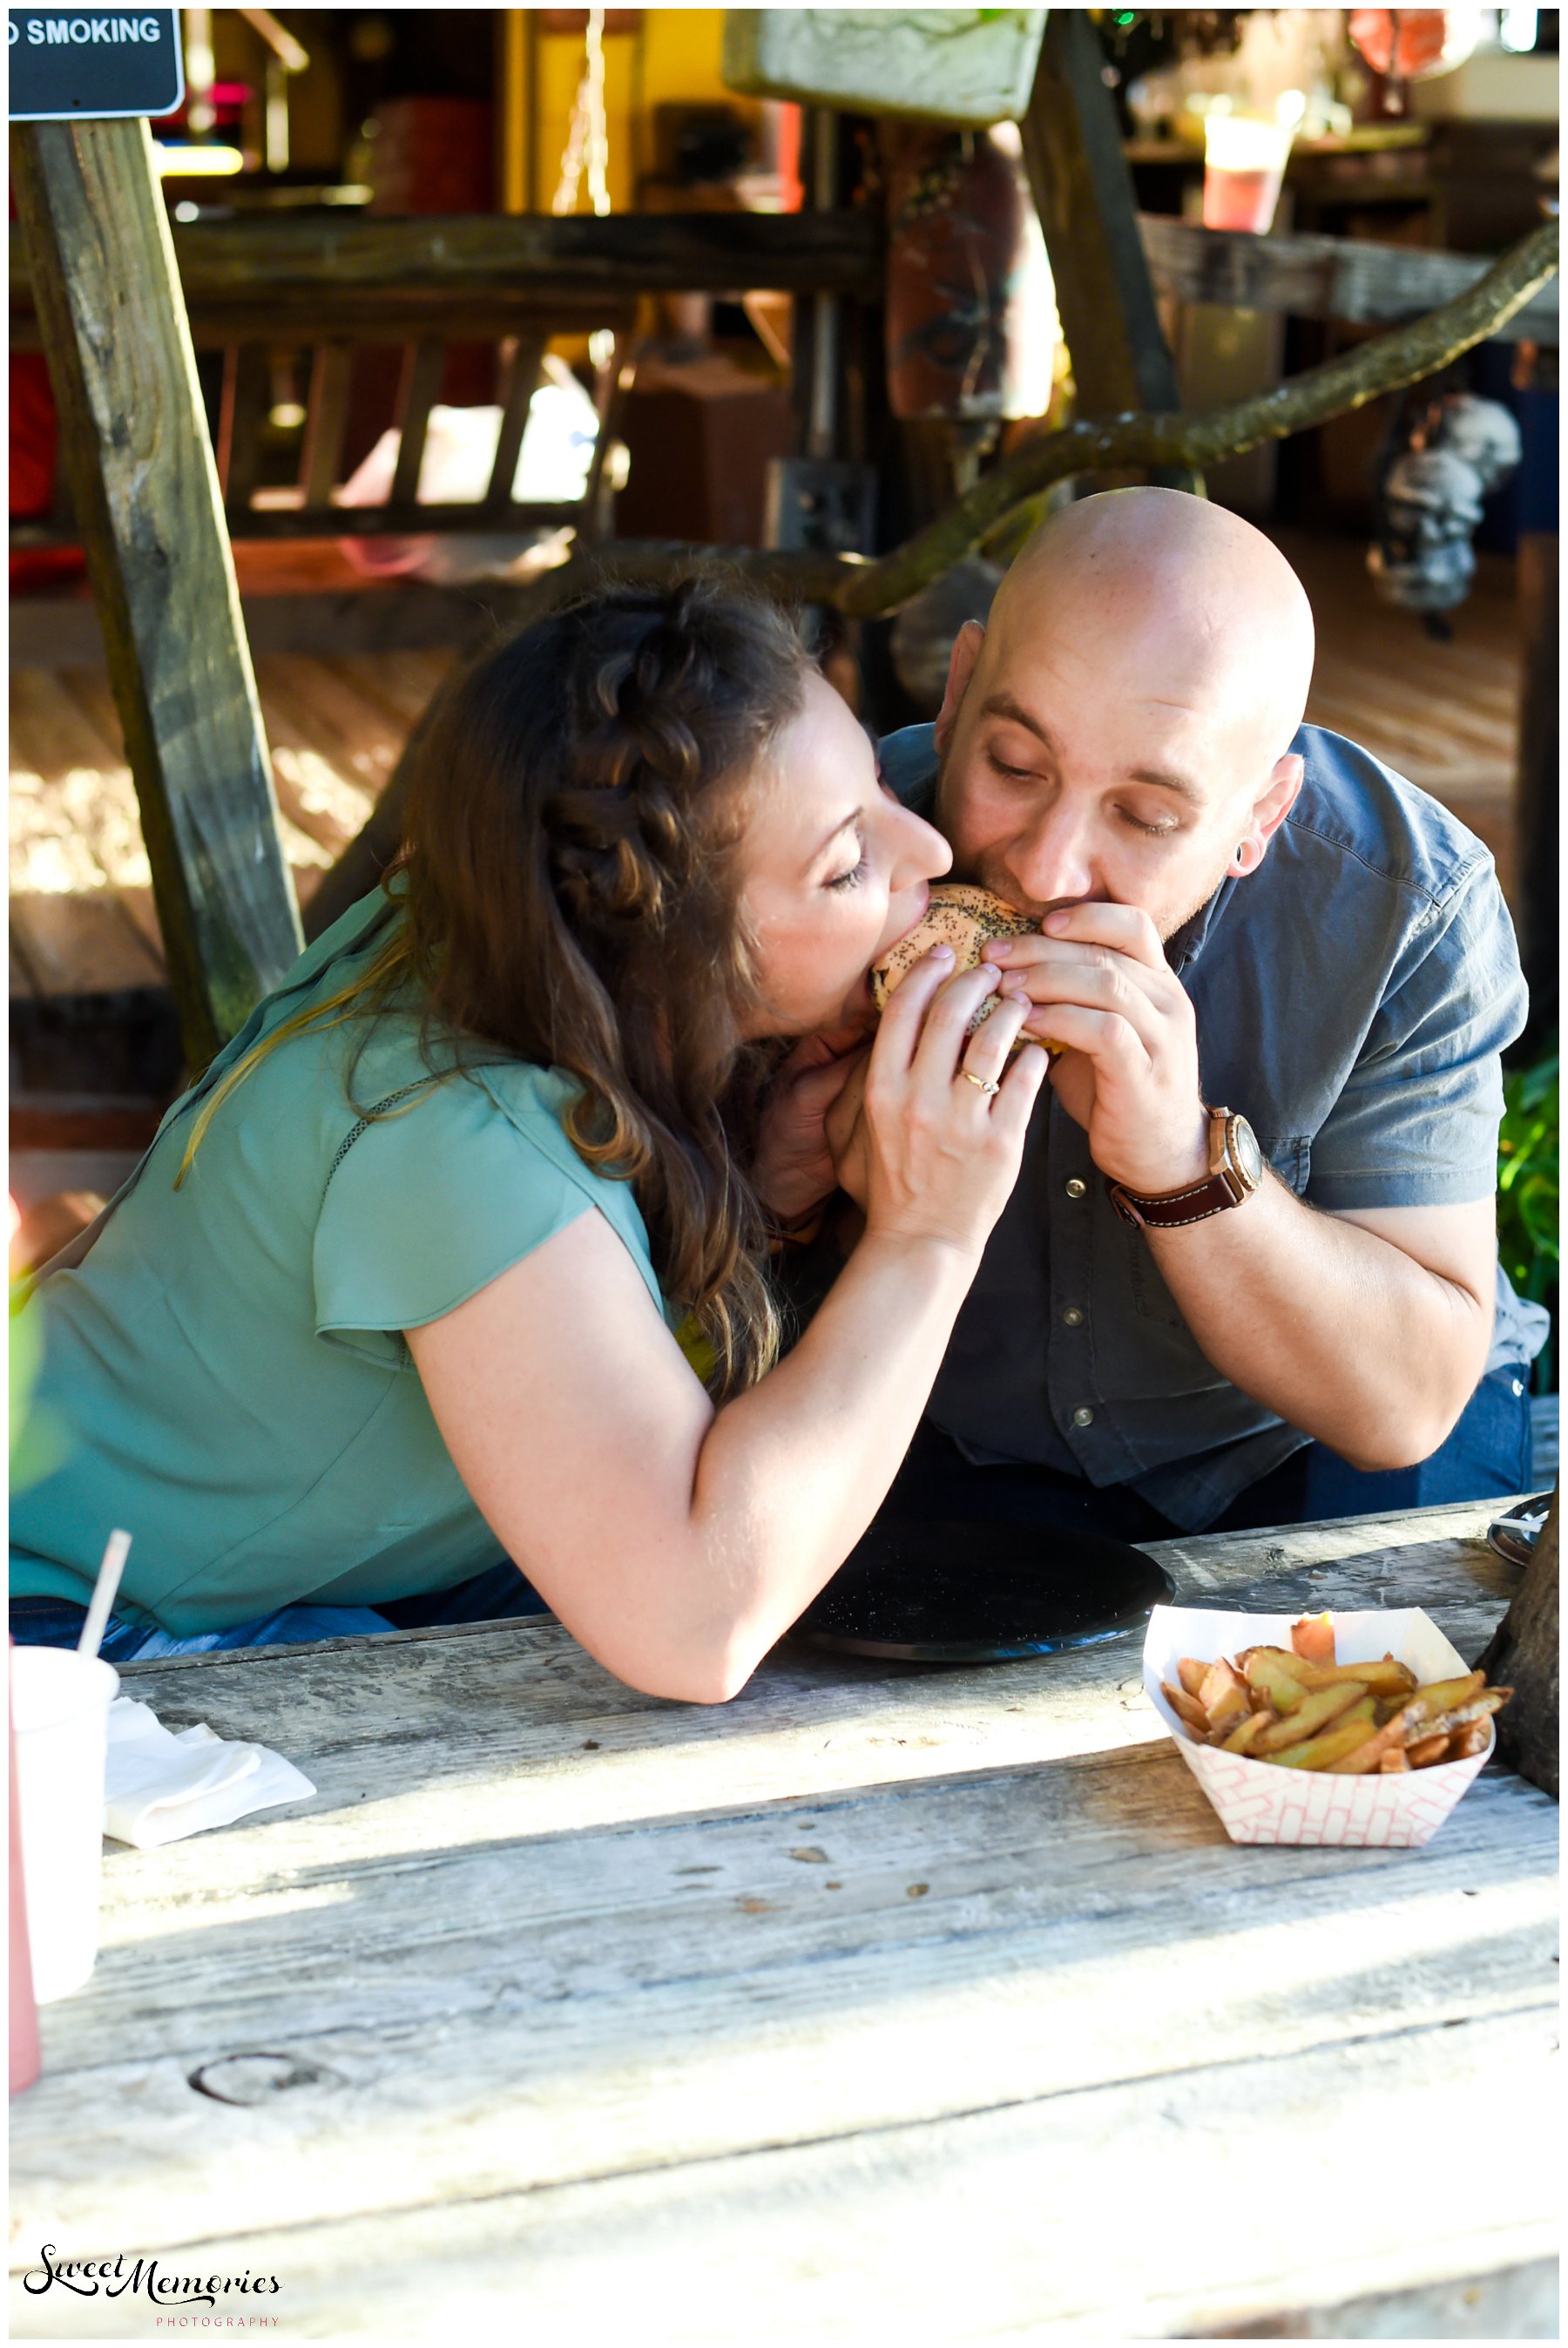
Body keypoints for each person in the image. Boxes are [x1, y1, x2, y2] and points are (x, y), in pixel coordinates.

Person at [9, 578, 1050, 1687]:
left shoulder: (495, 927)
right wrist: (930, 1236)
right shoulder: (456, 1133)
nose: (931, 853)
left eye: (881, 785)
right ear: (668, 962)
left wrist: (764, 1190)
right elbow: (695, 1629)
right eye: (847, 864)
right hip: (70, 1623)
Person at [781, 488, 1546, 1545]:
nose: (1048, 866)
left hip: (1300, 1438)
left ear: (1257, 818)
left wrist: (1183, 1164)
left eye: (1145, 816)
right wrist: (780, 1188)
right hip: (952, 1440)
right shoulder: (824, 856)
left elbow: (1404, 1403)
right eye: (1014, 765)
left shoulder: (1403, 908)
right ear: (956, 693)